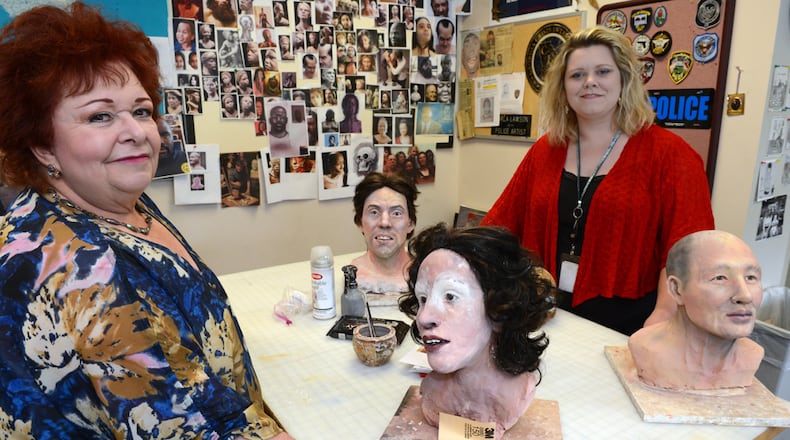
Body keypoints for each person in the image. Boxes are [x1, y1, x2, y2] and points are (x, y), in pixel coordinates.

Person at [0, 3, 292, 439]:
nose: (136, 131)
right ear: (42, 146)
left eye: (140, 111)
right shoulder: (82, 266)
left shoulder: (118, 201)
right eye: (99, 115)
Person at [481, 26, 714, 335]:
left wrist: (663, 317)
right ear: (562, 87)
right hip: (544, 314)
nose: (589, 82)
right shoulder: (545, 151)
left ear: (624, 79)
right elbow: (499, 226)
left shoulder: (671, 155)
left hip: (630, 323)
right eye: (577, 75)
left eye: (603, 71)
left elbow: (689, 253)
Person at [399, 224, 553, 439]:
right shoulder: (434, 390)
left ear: (499, 310)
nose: (424, 318)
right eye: (423, 299)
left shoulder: (514, 395)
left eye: (450, 297)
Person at [629, 230, 764, 390]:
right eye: (720, 278)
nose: (745, 295)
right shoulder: (646, 349)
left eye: (751, 277)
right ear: (677, 289)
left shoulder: (752, 355)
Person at [351, 172, 420, 293]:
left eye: (396, 213)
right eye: (374, 212)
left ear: (411, 224)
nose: (384, 222)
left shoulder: (423, 275)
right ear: (360, 222)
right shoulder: (353, 275)